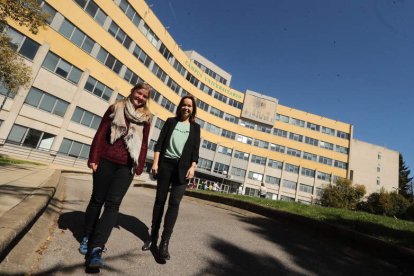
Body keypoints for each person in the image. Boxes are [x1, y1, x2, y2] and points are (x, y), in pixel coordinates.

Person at [80, 82, 152, 269]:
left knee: (113, 205)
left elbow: (143, 144)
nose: (141, 97)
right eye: (139, 93)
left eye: (145, 96)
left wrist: (139, 166)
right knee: (97, 200)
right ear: (133, 92)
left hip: (126, 167)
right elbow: (102, 132)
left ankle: (97, 247)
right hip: (106, 160)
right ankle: (87, 236)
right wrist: (93, 158)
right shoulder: (116, 107)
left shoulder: (146, 118)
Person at [142, 95, 200, 261]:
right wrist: (155, 163)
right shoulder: (170, 122)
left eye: (189, 106)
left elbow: (195, 151)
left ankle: (164, 243)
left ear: (192, 109)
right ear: (180, 106)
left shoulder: (196, 128)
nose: (186, 108)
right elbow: (159, 143)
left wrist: (193, 167)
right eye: (184, 105)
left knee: (174, 204)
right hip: (166, 165)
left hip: (183, 170)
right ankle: (152, 237)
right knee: (160, 201)